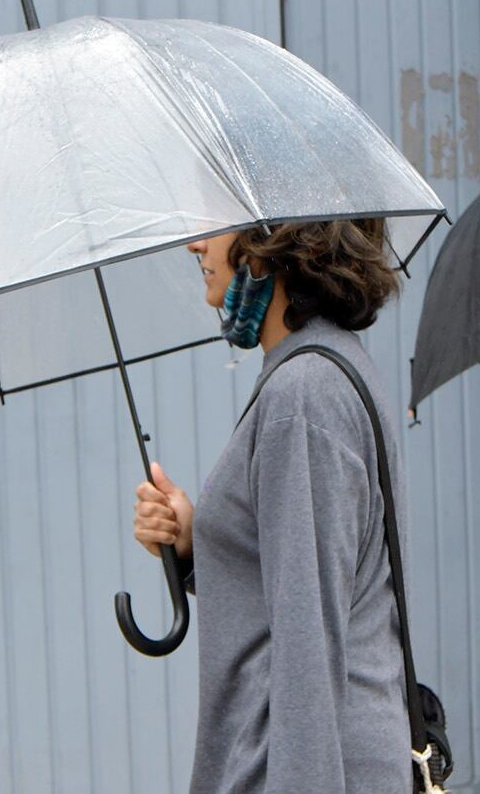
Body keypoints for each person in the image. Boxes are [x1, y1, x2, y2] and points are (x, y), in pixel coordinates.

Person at [130, 220, 411, 793]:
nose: (196, 244)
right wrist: (197, 543)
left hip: (299, 768)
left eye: (214, 224)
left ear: (274, 241)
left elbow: (309, 644)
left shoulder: (302, 395)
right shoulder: (324, 368)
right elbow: (299, 586)